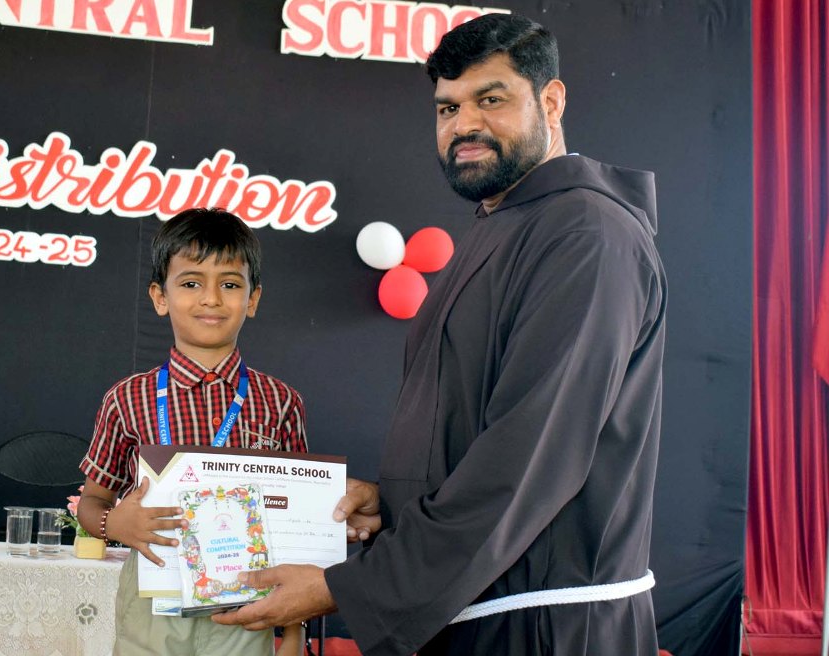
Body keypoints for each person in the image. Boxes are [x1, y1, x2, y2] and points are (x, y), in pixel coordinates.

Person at [213, 12, 666, 656]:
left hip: (541, 630)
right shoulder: (504, 222)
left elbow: (526, 459)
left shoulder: (587, 235)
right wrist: (395, 503)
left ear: (552, 101)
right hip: (471, 612)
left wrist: (349, 587)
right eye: (448, 107)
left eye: (491, 100)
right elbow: (466, 429)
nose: (464, 124)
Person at [77, 207, 308, 656]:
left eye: (230, 284)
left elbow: (297, 524)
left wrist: (293, 630)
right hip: (153, 602)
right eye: (190, 283)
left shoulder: (280, 402)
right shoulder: (127, 399)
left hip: (248, 607)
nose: (211, 299)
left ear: (253, 299)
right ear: (160, 297)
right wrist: (113, 523)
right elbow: (92, 502)